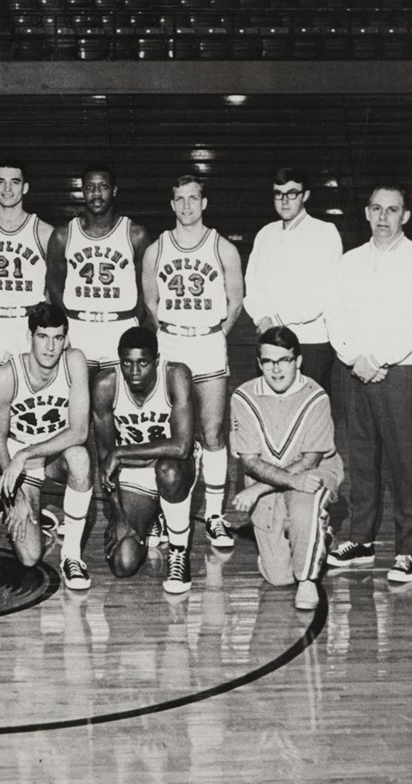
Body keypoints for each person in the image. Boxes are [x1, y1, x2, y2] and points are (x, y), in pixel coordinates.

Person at [325, 184, 412, 584]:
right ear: (367, 213)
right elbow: (334, 313)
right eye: (377, 209)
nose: (384, 218)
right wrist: (353, 356)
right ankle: (361, 540)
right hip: (354, 370)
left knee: (405, 463)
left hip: (401, 372)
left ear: (405, 216)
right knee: (361, 457)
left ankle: (408, 550)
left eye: (393, 210)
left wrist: (378, 359)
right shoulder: (349, 262)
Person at [141, 174, 244, 550]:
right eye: (179, 199)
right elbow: (150, 302)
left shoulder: (223, 249)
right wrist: (170, 334)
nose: (186, 206)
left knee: (213, 432)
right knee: (167, 434)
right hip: (170, 341)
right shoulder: (157, 249)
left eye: (193, 198)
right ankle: (161, 515)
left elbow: (236, 301)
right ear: (172, 205)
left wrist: (215, 334)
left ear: (204, 203)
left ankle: (215, 515)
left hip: (208, 342)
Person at [230, 327, 343, 610]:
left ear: (298, 361)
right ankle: (318, 538)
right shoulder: (243, 397)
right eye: (268, 361)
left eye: (284, 360)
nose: (276, 369)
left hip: (309, 476)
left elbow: (310, 460)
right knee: (278, 577)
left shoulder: (316, 397)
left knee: (306, 502)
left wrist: (257, 489)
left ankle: (307, 581)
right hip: (273, 476)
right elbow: (250, 461)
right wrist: (268, 484)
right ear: (259, 363)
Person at [0, 302, 93, 590]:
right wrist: (15, 492)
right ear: (30, 337)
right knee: (29, 558)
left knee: (80, 458)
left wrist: (27, 453)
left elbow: (80, 431)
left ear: (66, 340)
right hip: (16, 468)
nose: (50, 347)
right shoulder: (8, 375)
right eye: (42, 337)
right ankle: (19, 509)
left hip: (49, 456)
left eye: (58, 338)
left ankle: (71, 555)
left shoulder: (74, 362)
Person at [92, 327, 199, 594]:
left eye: (143, 363)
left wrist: (121, 452)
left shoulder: (176, 375)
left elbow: (181, 446)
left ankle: (178, 553)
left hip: (174, 465)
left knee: (168, 471)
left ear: (157, 360)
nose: (135, 372)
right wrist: (117, 515)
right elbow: (106, 461)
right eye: (127, 363)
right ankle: (153, 516)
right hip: (134, 472)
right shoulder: (106, 385)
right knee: (122, 564)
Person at [244, 167, 342, 396]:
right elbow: (252, 284)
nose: (285, 201)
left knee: (310, 416)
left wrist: (277, 319)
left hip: (310, 342)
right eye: (279, 194)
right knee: (270, 413)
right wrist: (262, 319)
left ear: (305, 195)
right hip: (270, 340)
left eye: (292, 193)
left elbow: (322, 293)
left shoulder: (325, 233)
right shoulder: (265, 234)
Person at [47, 162, 153, 372]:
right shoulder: (63, 235)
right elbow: (54, 284)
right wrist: (69, 322)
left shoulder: (135, 234)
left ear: (114, 190)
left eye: (103, 187)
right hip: (78, 329)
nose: (96, 194)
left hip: (120, 326)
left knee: (116, 401)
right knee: (78, 400)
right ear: (82, 190)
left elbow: (146, 288)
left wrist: (133, 322)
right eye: (90, 187)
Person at [0, 158, 53, 383]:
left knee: (27, 397)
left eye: (14, 182)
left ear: (25, 187)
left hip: (26, 323)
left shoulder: (43, 232)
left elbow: (52, 288)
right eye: (1, 182)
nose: (7, 189)